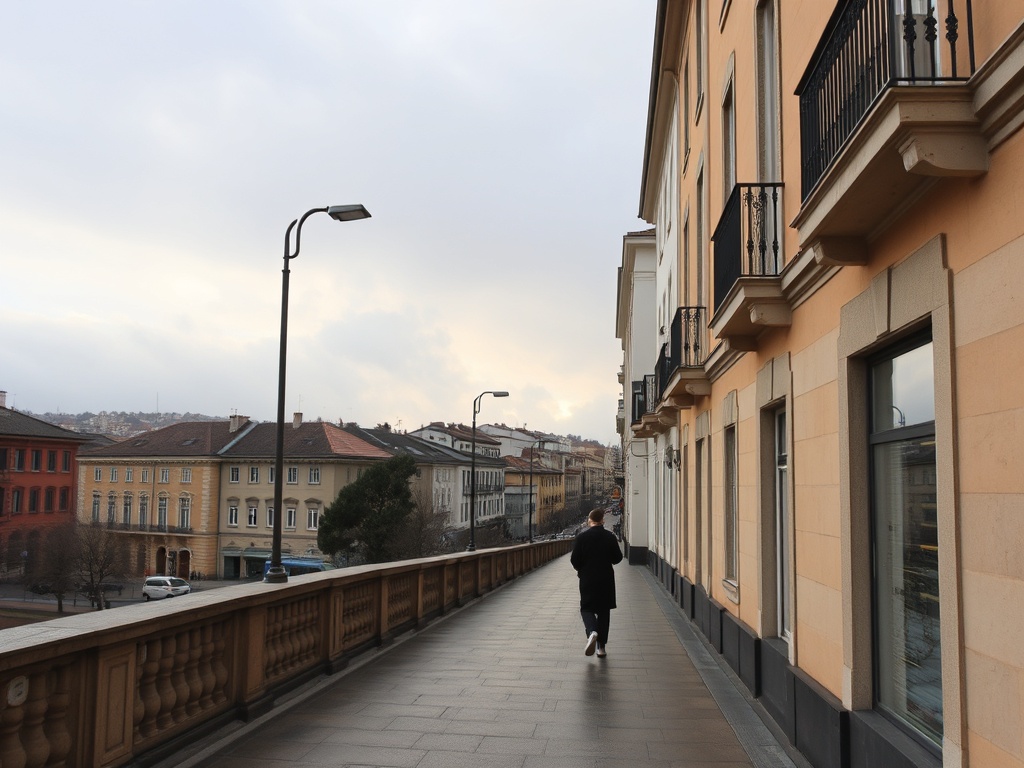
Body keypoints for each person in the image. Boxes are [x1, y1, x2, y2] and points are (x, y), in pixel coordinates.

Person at [570, 508, 623, 658]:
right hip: (606, 578)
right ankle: (601, 648)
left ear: (589, 520)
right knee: (604, 612)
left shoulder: (582, 537)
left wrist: (581, 569)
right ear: (603, 520)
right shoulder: (610, 537)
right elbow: (618, 558)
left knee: (586, 608)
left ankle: (592, 631)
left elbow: (574, 560)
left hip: (587, 578)